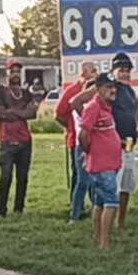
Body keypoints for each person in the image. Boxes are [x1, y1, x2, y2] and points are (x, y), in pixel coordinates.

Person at [0, 58, 39, 218]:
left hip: (25, 141)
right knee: (5, 176)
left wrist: (13, 111)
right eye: (12, 71)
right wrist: (21, 113)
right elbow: (1, 114)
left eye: (18, 71)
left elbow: (32, 113)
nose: (15, 74)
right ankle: (1, 209)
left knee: (23, 177)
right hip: (7, 140)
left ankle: (19, 208)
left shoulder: (26, 93)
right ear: (6, 72)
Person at [79, 74, 120, 250]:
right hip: (102, 166)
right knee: (111, 203)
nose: (113, 90)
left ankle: (98, 238)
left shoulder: (106, 107)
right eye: (108, 87)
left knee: (100, 202)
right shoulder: (93, 107)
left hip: (109, 163)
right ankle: (105, 243)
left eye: (113, 87)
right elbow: (83, 134)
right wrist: (90, 152)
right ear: (99, 89)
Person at [110, 52, 138, 228]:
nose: (125, 73)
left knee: (127, 185)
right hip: (114, 145)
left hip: (129, 144)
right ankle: (108, 222)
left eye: (127, 70)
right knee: (113, 185)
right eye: (121, 70)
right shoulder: (111, 89)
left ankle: (121, 222)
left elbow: (137, 109)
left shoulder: (130, 90)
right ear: (114, 71)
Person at [58, 61, 97, 222]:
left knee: (93, 181)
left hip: (94, 143)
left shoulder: (95, 103)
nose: (95, 72)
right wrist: (70, 129)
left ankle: (94, 210)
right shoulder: (76, 97)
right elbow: (59, 114)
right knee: (81, 180)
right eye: (93, 70)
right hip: (79, 142)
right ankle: (76, 211)